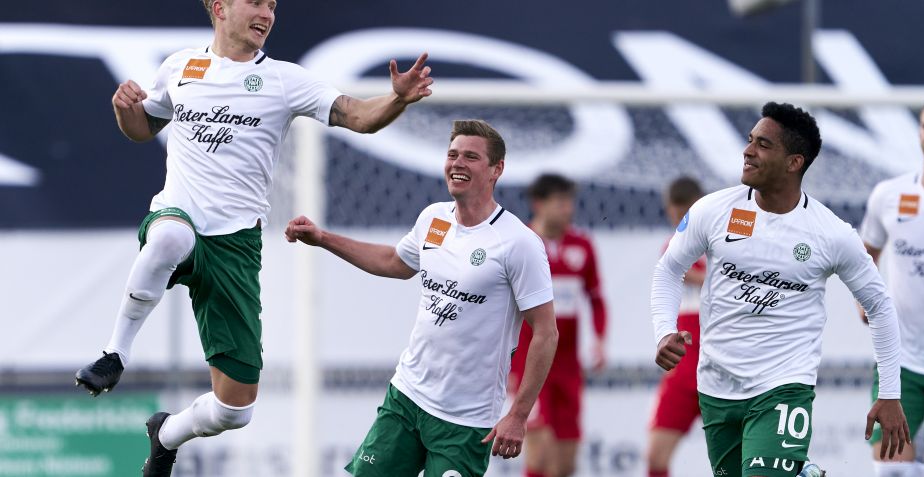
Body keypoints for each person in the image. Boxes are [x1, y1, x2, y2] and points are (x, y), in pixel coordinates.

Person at [73, 0, 434, 474]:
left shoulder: (284, 79)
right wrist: (125, 110)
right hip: (176, 217)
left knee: (234, 409)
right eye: (257, 2)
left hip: (235, 246)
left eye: (272, 5)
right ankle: (114, 354)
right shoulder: (181, 67)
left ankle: (166, 433)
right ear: (219, 7)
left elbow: (357, 116)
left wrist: (397, 99)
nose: (267, 13)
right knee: (169, 239)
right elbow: (143, 128)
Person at [286, 119, 559, 476]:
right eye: (452, 154)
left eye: (471, 157)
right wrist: (323, 238)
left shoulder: (518, 243)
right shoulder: (434, 219)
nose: (457, 163)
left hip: (465, 421)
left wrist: (518, 415)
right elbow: (394, 262)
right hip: (407, 396)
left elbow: (546, 332)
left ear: (496, 169)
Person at [651, 102, 910, 477]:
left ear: (794, 163)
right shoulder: (713, 211)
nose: (747, 150)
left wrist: (889, 392)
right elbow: (668, 269)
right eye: (750, 140)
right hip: (716, 387)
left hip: (784, 387)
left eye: (763, 144)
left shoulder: (831, 234)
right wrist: (664, 329)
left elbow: (880, 306)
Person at [509, 173, 608, 477]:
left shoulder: (582, 245)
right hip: (529, 362)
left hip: (567, 365)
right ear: (539, 204)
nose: (568, 209)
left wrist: (599, 340)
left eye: (570, 202)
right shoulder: (520, 243)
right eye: (560, 202)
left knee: (565, 464)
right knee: (539, 454)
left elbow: (596, 299)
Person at [858, 102, 924, 477]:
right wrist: (864, 296)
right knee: (892, 469)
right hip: (902, 363)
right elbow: (866, 253)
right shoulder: (889, 195)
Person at [646, 176, 705, 477]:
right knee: (655, 457)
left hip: (722, 372)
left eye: (688, 212)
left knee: (740, 461)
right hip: (683, 372)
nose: (682, 220)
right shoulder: (673, 248)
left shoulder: (725, 246)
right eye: (676, 212)